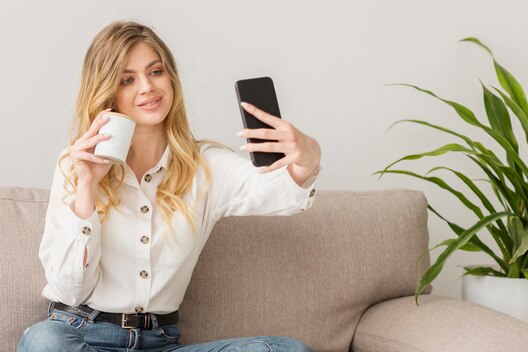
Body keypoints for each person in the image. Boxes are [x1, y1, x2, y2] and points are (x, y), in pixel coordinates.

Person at [18, 20, 321, 352]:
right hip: (81, 335)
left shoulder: (205, 165)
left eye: (156, 71)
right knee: (44, 341)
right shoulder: (76, 163)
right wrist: (87, 187)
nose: (147, 87)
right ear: (108, 92)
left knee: (284, 350)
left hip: (160, 343)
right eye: (127, 79)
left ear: (170, 77)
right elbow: (69, 290)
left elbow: (281, 193)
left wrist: (308, 155)